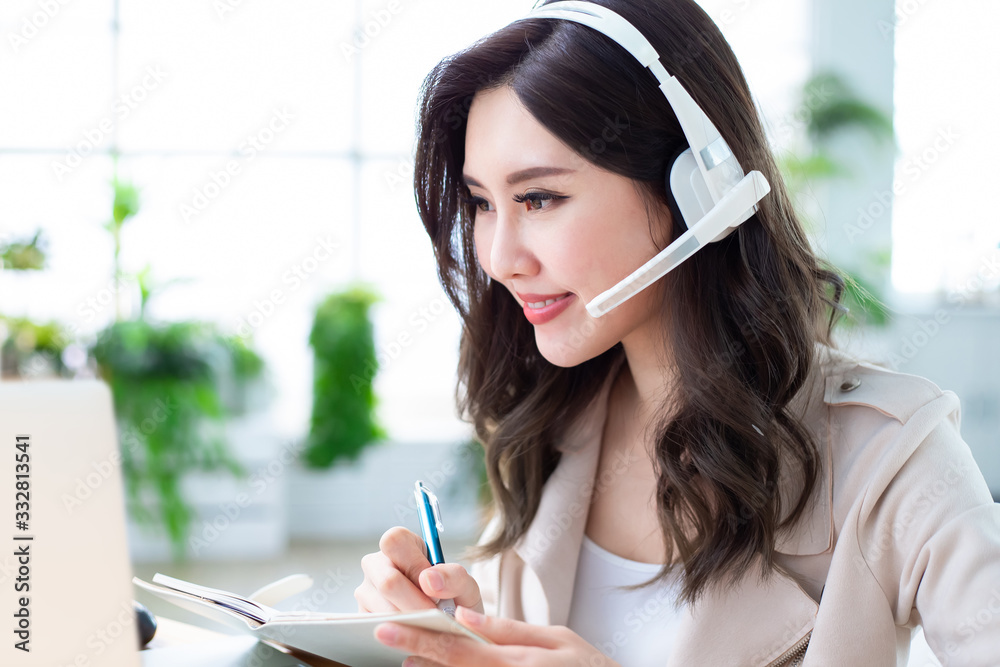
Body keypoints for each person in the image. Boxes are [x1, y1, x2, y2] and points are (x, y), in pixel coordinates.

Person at [354, 1, 1000, 665]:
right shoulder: (556, 422)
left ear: (697, 188)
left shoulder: (892, 455)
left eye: (539, 198)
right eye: (484, 204)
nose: (498, 256)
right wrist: (463, 632)